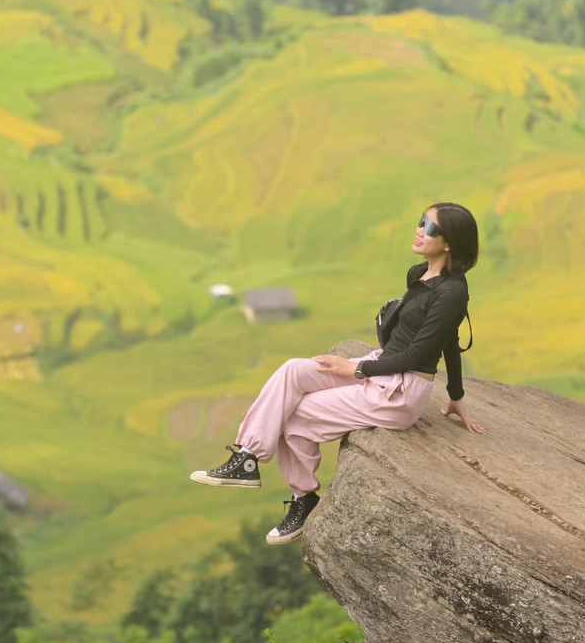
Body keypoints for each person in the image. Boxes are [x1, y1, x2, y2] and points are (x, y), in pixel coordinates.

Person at [191, 202, 483, 545]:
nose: (420, 230)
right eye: (421, 222)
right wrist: (457, 396)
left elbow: (424, 351)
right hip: (383, 367)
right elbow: (444, 340)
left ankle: (305, 499)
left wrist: (355, 367)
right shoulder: (419, 274)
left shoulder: (452, 292)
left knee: (295, 417)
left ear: (450, 242)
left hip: (400, 392)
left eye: (431, 228)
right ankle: (248, 457)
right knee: (293, 371)